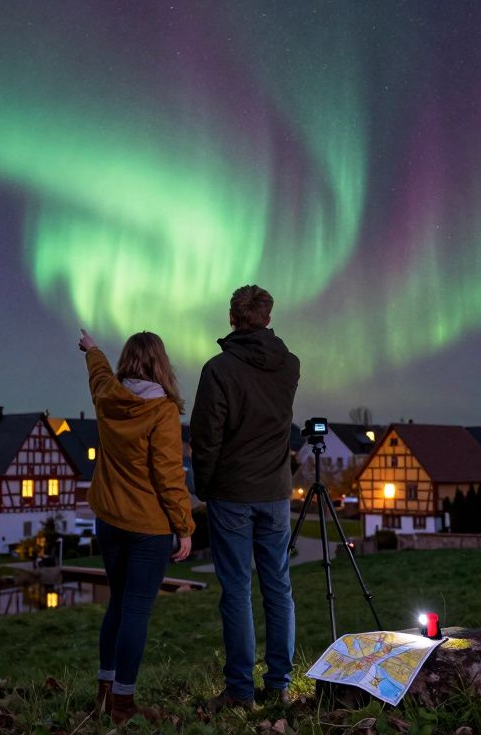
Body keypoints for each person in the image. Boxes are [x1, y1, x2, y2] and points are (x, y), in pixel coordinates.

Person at [191, 285, 300, 709]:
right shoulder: (289, 365)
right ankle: (279, 684)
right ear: (268, 318)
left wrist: (205, 486)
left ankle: (239, 691)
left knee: (236, 589)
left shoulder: (218, 370)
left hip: (232, 493)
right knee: (278, 586)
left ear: (232, 318)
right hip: (274, 491)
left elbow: (206, 436)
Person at [79, 328, 195, 724]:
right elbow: (167, 473)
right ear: (161, 364)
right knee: (136, 611)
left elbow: (98, 376)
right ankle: (124, 707)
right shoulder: (161, 411)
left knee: (117, 602)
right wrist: (184, 525)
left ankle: (105, 693)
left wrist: (93, 351)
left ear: (127, 360)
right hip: (148, 527)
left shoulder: (107, 396)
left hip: (109, 521)